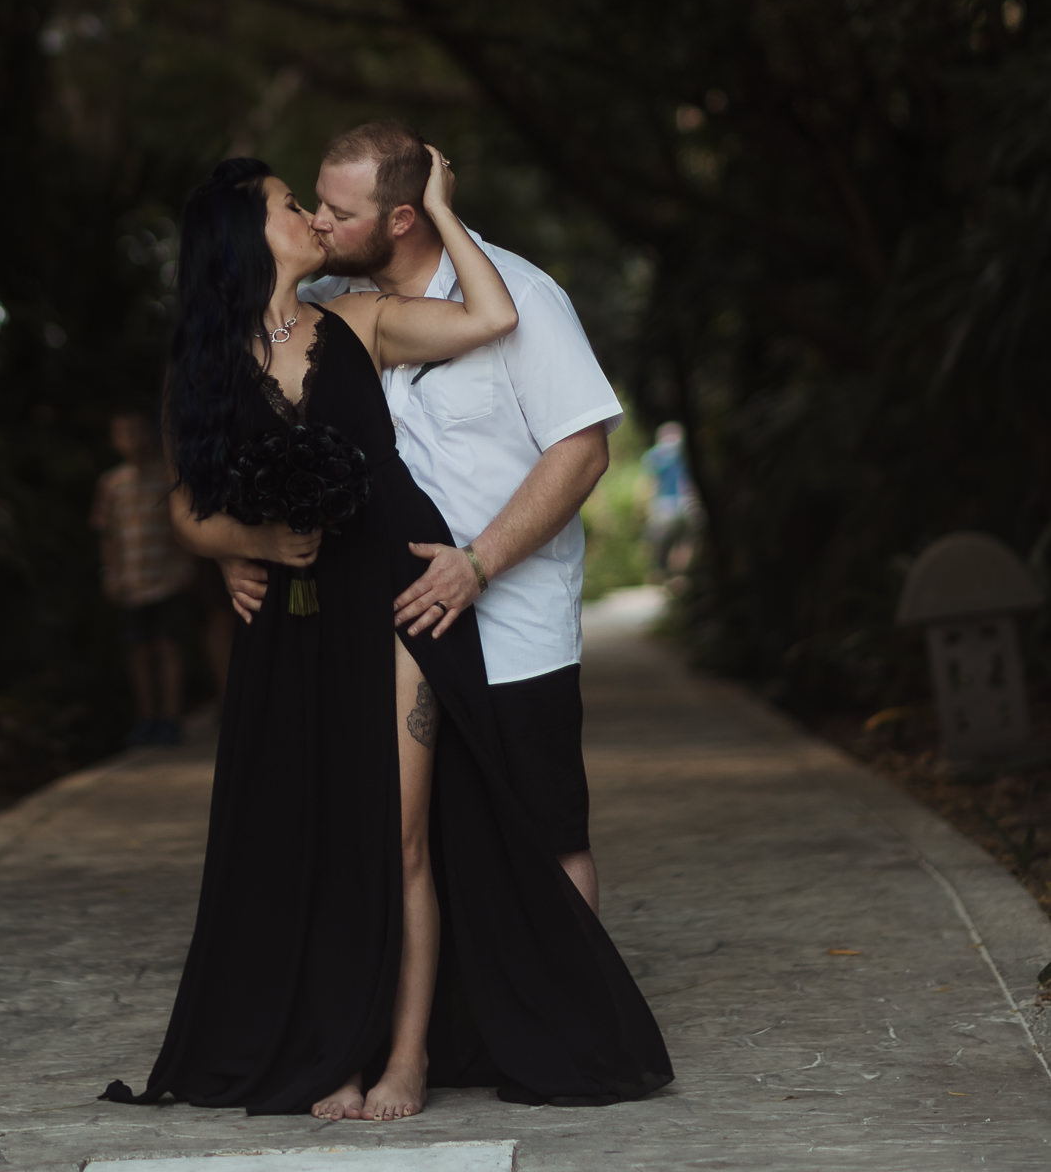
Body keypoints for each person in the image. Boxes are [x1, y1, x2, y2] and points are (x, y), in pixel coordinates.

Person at [101, 150, 671, 1122]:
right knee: (315, 840)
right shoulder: (200, 360)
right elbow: (189, 505)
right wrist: (254, 541)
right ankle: (336, 1049)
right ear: (249, 234)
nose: (314, 218)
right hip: (287, 624)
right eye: (293, 205)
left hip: (396, 600)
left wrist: (444, 210)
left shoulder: (355, 320)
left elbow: (491, 318)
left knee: (402, 837)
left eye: (321, 203)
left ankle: (404, 1059)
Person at [226, 119, 620, 914]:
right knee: (420, 840)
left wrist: (478, 562)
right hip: (378, 622)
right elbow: (255, 442)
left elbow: (580, 453)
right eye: (315, 205)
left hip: (510, 621)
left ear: (402, 217)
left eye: (339, 213)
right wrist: (239, 546)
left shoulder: (523, 294)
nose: (318, 224)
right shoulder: (327, 307)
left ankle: (575, 1024)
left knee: (544, 831)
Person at [91, 410, 195, 748]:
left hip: (167, 577)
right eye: (124, 433)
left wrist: (185, 564)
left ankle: (171, 718)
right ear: (114, 440)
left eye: (138, 431)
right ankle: (147, 717)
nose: (133, 439)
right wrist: (111, 573)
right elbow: (106, 533)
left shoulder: (166, 477)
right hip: (132, 580)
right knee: (139, 650)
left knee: (168, 646)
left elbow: (184, 523)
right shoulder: (111, 484)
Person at [639, 420, 700, 578]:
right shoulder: (685, 451)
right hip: (687, 502)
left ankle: (667, 573)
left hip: (663, 505)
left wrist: (645, 506)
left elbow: (650, 483)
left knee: (664, 541)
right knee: (685, 540)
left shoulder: (654, 455)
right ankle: (680, 574)